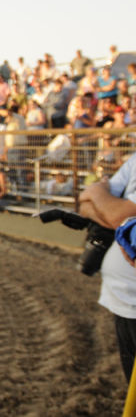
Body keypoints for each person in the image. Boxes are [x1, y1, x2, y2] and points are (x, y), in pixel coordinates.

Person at [79, 152, 136, 382]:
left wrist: (97, 194)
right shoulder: (134, 161)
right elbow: (84, 203)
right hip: (123, 301)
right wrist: (101, 201)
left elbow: (115, 215)